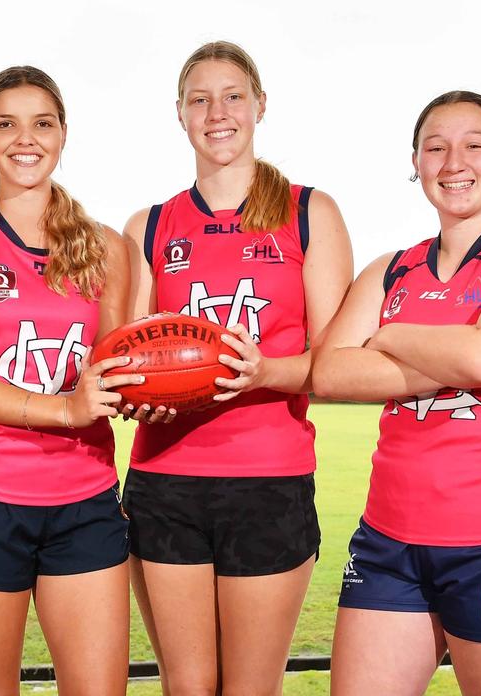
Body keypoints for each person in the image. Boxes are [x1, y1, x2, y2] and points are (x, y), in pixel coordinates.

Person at [313, 91, 481, 696]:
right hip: (390, 535)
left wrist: (390, 334)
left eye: (474, 145)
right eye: (436, 147)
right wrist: (459, 352)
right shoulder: (391, 267)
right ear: (416, 162)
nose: (454, 161)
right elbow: (329, 374)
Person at [120, 41, 353, 696]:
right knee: (186, 687)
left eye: (231, 96)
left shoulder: (309, 213)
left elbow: (336, 367)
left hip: (267, 482)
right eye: (199, 98)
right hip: (164, 482)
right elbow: (128, 355)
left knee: (250, 688)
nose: (215, 112)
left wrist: (261, 373)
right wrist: (137, 394)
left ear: (259, 106)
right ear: (179, 114)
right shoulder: (149, 225)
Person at [0, 66, 137, 696]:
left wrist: (153, 394)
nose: (24, 138)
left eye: (42, 122)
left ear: (63, 133)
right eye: (5, 124)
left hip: (84, 497)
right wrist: (65, 409)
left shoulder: (106, 247)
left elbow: (114, 365)